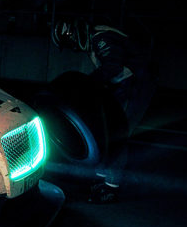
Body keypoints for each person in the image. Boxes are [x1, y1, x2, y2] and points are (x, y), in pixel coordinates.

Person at [52, 18, 156, 203]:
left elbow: (112, 67)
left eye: (69, 43)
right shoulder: (97, 37)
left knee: (119, 134)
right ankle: (103, 177)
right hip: (128, 86)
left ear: (72, 34)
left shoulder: (101, 39)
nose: (73, 48)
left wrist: (85, 85)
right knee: (107, 131)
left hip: (136, 88)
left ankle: (111, 187)